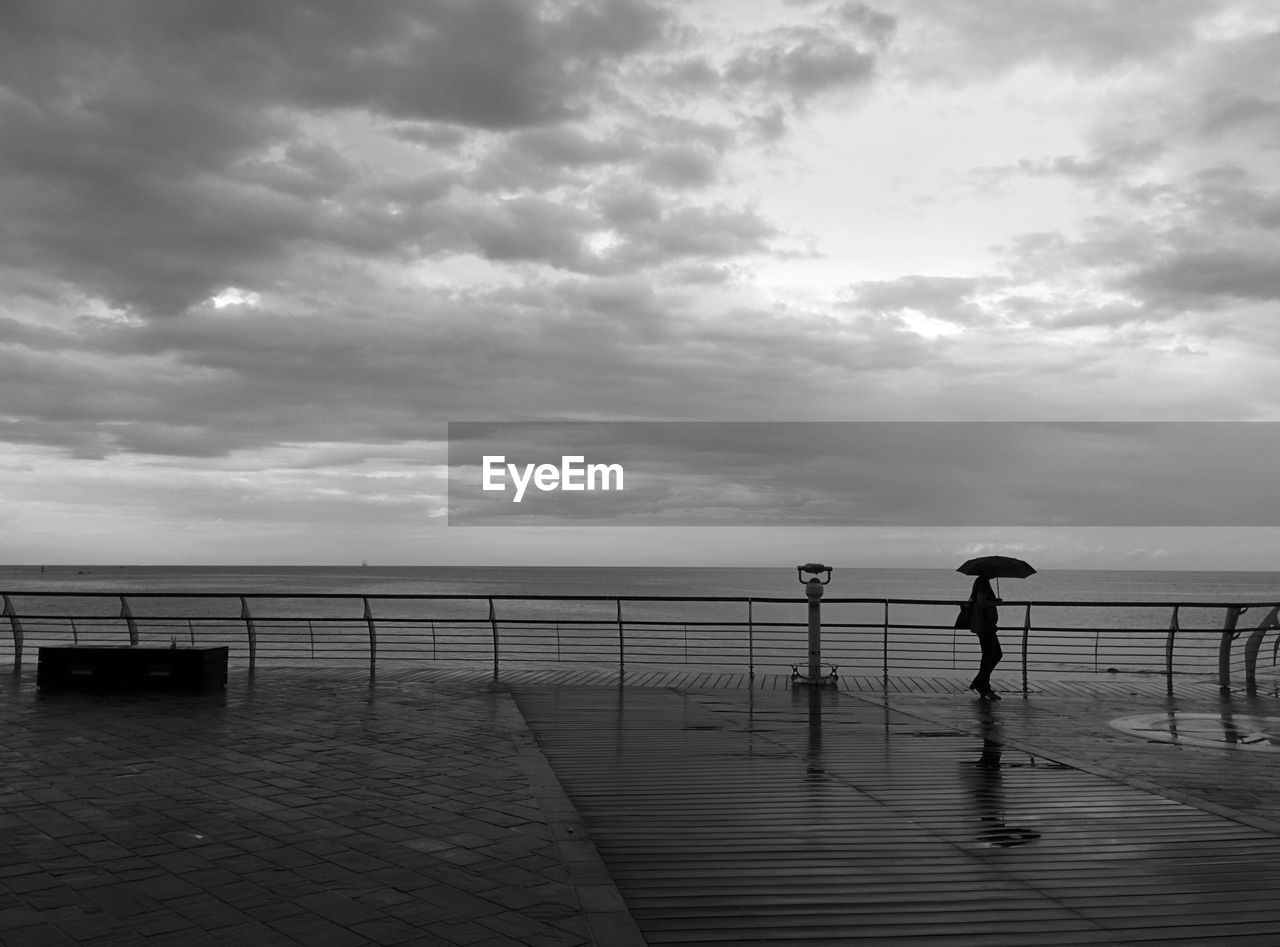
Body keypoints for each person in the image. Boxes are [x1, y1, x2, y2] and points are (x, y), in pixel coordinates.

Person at [967, 575, 1003, 699]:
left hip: (987, 625)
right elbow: (981, 601)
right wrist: (995, 602)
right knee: (990, 656)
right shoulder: (983, 582)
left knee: (994, 655)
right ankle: (984, 687)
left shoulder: (983, 581)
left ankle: (979, 682)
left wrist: (994, 601)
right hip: (985, 625)